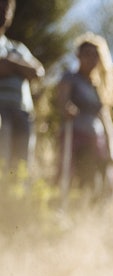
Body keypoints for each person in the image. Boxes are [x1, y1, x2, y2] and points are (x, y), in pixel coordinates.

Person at [54, 33, 113, 199]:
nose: (91, 59)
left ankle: (89, 215)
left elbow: (105, 118)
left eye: (94, 55)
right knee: (70, 176)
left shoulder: (97, 87)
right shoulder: (70, 77)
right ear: (78, 55)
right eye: (87, 54)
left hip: (95, 141)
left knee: (98, 181)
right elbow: (62, 99)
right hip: (74, 136)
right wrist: (66, 108)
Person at [0, 0, 43, 177]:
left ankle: (18, 201)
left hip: (22, 113)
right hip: (0, 113)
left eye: (6, 9)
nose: (2, 12)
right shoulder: (18, 53)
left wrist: (9, 64)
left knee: (22, 164)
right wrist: (20, 67)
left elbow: (37, 71)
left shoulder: (18, 47)